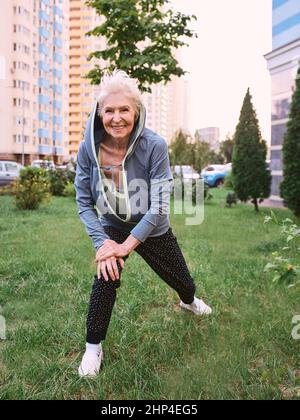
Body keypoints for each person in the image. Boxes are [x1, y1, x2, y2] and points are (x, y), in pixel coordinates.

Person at [74, 70, 212, 378]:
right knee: (105, 276)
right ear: (99, 113)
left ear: (137, 111)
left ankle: (189, 301)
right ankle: (93, 346)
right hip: (112, 225)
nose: (117, 117)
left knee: (183, 281)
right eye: (109, 110)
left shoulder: (155, 145)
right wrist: (105, 244)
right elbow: (83, 201)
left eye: (124, 109)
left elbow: (160, 204)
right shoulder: (88, 148)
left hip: (152, 227)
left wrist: (128, 245)